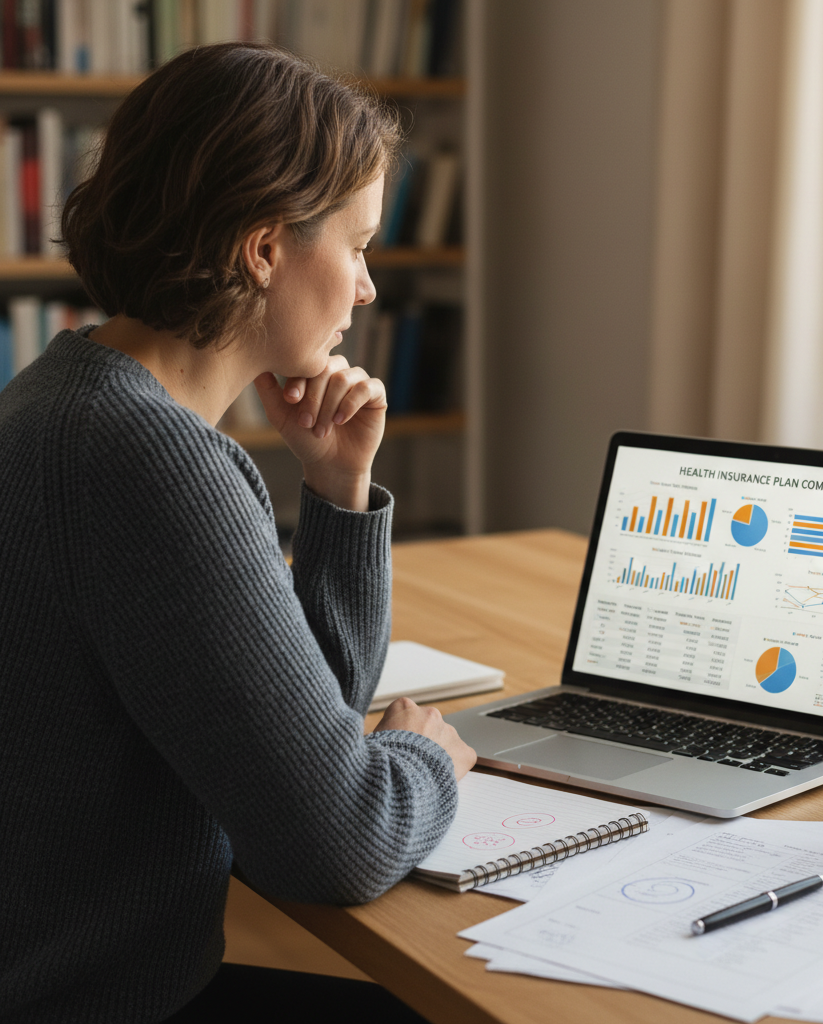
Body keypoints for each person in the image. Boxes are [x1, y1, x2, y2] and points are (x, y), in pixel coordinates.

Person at [0, 42, 476, 1023]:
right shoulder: (145, 462)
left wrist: (338, 493)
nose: (367, 287)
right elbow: (339, 843)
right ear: (264, 248)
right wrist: (431, 755)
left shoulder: (64, 396)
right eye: (356, 245)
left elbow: (296, 738)